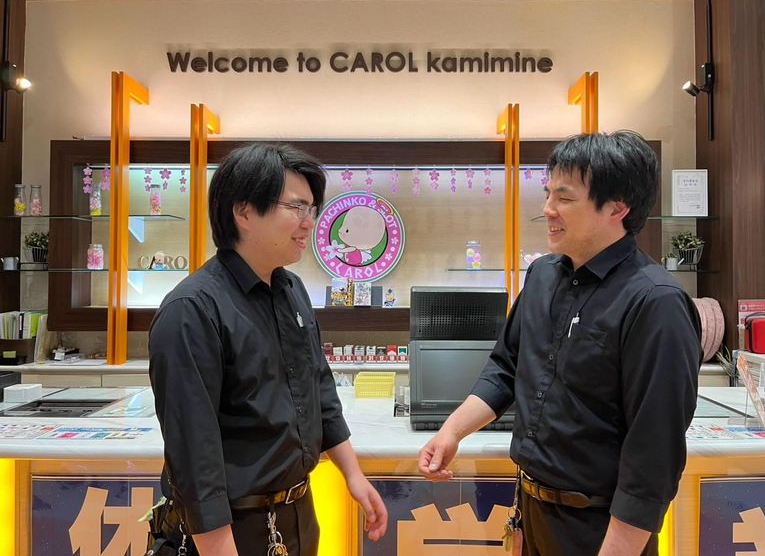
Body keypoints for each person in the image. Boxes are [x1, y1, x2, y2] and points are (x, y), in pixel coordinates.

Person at [418, 131, 701, 555]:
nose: (548, 209)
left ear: (617, 207)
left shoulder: (655, 302)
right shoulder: (542, 275)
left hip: (599, 527)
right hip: (531, 509)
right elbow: (506, 367)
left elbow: (654, 454)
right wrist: (451, 432)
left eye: (564, 198)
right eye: (548, 194)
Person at [150, 143, 388, 556]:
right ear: (243, 212)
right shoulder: (191, 310)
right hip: (232, 528)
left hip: (298, 513)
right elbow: (194, 455)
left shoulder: (291, 290)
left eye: (311, 209)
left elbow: (319, 389)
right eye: (296, 207)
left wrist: (353, 474)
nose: (309, 223)